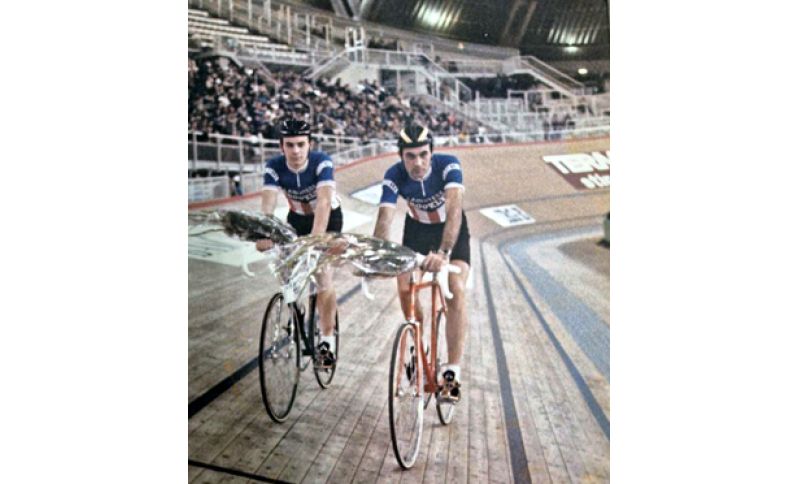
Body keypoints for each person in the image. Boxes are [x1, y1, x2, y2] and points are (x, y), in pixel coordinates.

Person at [372, 122, 471, 402]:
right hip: (416, 230)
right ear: (401, 157)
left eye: (423, 154)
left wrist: (444, 252)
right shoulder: (394, 175)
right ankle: (418, 342)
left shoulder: (448, 165)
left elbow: (454, 210)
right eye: (410, 156)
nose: (418, 162)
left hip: (450, 231)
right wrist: (378, 254)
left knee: (455, 289)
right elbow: (385, 216)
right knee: (404, 286)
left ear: (432, 152)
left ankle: (451, 373)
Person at [256, 118, 343, 368]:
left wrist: (315, 241)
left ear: (309, 145)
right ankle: (296, 306)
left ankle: (327, 341)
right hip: (296, 219)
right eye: (290, 145)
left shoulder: (322, 162)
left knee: (322, 275)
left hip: (328, 218)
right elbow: (268, 203)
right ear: (281, 146)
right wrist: (264, 232)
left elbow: (324, 202)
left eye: (301, 144)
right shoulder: (274, 166)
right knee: (284, 268)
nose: (296, 151)